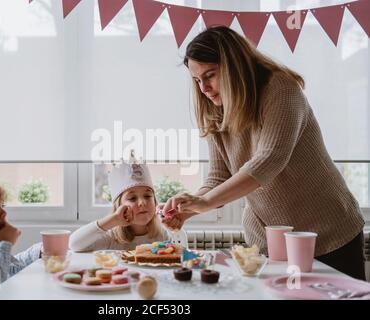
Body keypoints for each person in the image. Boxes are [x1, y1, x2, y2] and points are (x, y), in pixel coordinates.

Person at [161, 26, 365, 280]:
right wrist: (188, 208)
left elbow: (268, 162)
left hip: (328, 231)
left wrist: (204, 203)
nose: (204, 88)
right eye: (197, 80)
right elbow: (218, 177)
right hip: (272, 242)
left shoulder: (280, 89)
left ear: (234, 66)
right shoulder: (216, 109)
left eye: (210, 75)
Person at [70, 154, 171, 251]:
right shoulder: (111, 238)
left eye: (148, 196)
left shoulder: (163, 235)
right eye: (132, 198)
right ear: (119, 206)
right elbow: (74, 244)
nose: (142, 203)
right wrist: (113, 219)